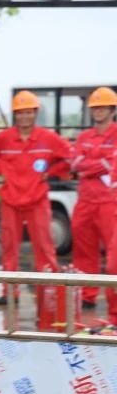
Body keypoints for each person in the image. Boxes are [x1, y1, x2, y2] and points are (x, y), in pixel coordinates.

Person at [0, 90, 71, 305]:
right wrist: (3, 169)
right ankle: (10, 292)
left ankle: (50, 292)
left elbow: (68, 157)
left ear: (35, 113)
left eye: (28, 112)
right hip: (10, 201)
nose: (24, 117)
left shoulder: (48, 138)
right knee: (9, 248)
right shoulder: (4, 138)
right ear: (15, 115)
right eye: (20, 113)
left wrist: (51, 170)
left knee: (45, 248)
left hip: (37, 200)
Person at [69, 86, 117, 310]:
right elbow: (75, 164)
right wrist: (101, 165)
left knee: (113, 255)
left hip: (110, 202)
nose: (98, 111)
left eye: (103, 107)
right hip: (85, 201)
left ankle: (113, 300)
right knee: (83, 251)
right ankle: (87, 295)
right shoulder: (84, 136)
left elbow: (112, 164)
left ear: (112, 109)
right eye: (95, 107)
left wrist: (88, 166)